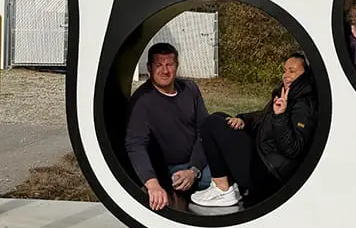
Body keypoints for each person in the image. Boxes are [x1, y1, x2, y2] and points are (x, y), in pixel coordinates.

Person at [191, 54, 318, 207]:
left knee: (211, 124)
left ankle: (222, 190)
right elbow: (263, 117)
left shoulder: (304, 106)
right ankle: (228, 186)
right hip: (261, 156)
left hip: (266, 174)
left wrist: (280, 117)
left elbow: (293, 149)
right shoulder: (287, 95)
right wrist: (242, 119)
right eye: (285, 70)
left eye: (292, 71)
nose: (286, 75)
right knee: (220, 118)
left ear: (305, 75)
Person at [125, 42, 212, 211]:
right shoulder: (142, 101)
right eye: (159, 65)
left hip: (198, 162)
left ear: (176, 66)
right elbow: (135, 145)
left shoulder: (190, 89)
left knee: (225, 179)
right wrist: (152, 184)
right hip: (171, 169)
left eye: (169, 64)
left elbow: (204, 130)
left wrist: (193, 170)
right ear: (149, 68)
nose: (165, 71)